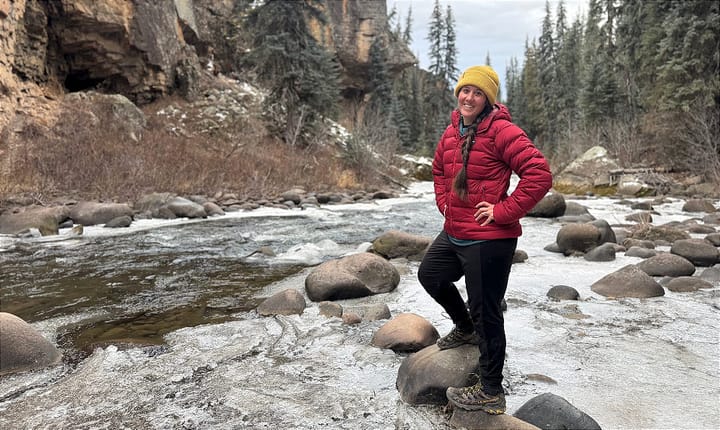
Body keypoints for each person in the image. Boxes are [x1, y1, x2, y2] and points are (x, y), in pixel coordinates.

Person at [417, 65, 552, 414]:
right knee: (430, 275)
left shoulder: (503, 131)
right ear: (458, 93)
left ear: (488, 99)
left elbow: (539, 174)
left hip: (490, 239)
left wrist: (503, 210)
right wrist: (444, 203)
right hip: (456, 230)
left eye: (478, 93)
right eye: (466, 90)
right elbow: (437, 171)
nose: (469, 97)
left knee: (487, 312)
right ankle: (464, 328)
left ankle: (491, 389)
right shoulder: (451, 132)